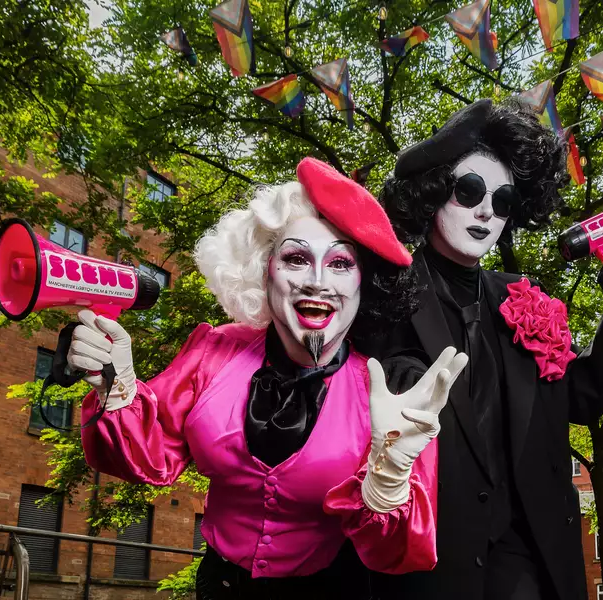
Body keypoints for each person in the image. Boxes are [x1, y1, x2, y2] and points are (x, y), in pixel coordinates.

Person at [67, 157, 467, 599]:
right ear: (263, 269)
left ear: (365, 285)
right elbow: (147, 458)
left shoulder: (387, 394)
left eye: (340, 264)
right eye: (296, 258)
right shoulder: (214, 351)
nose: (317, 282)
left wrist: (389, 476)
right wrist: (116, 385)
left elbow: (396, 553)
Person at [370, 98, 603, 600]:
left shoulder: (526, 299)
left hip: (533, 563)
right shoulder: (385, 288)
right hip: (428, 562)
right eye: (470, 190)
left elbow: (581, 402)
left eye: (502, 200)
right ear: (435, 192)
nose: (487, 210)